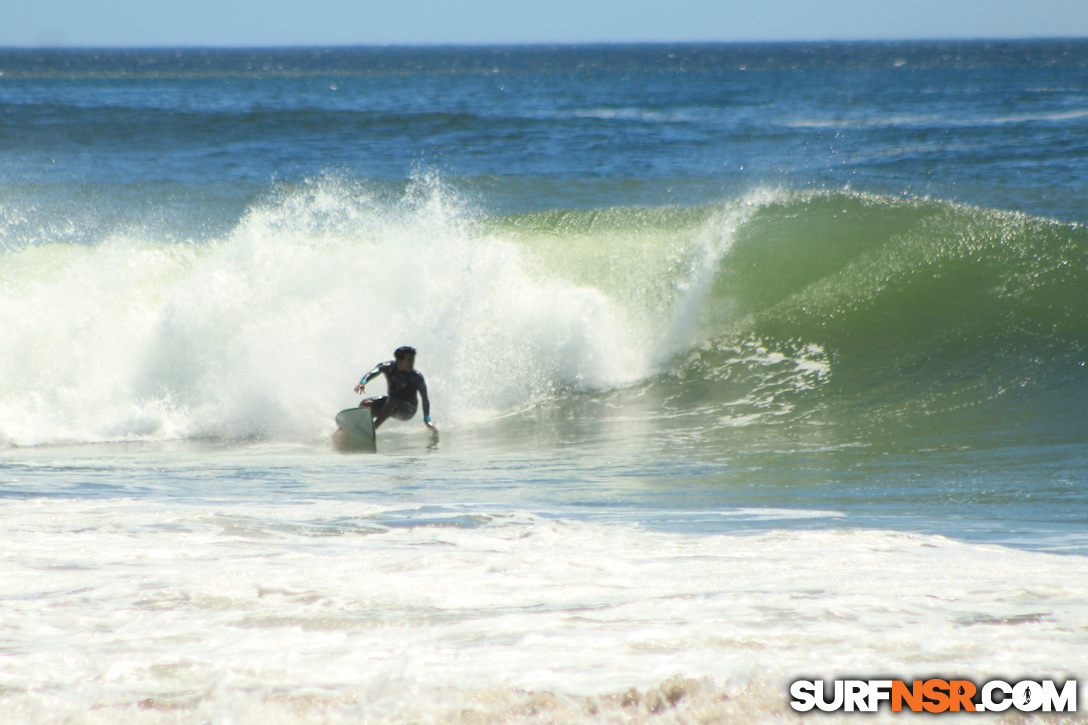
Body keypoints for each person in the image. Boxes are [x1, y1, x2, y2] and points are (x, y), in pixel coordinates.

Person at [354, 346, 436, 431]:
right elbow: (372, 373)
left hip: (408, 410)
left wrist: (427, 419)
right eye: (409, 360)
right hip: (390, 404)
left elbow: (425, 398)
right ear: (399, 360)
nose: (412, 363)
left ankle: (373, 428)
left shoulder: (416, 377)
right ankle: (359, 428)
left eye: (413, 360)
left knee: (393, 401)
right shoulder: (387, 367)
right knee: (366, 404)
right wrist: (362, 383)